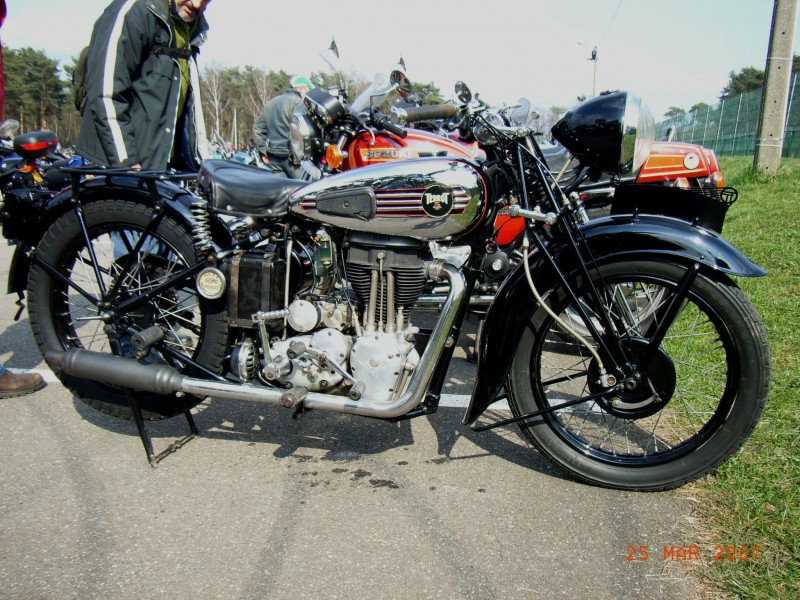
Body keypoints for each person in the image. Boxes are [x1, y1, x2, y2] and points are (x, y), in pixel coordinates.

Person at [76, 0, 212, 171]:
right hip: (119, 168)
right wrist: (127, 162)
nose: (197, 4)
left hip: (160, 167)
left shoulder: (191, 27)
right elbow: (106, 94)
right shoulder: (133, 12)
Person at [252, 76, 314, 179]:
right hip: (294, 161)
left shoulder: (270, 103)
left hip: (274, 159)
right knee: (303, 191)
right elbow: (302, 129)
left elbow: (257, 129)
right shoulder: (299, 103)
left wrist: (263, 151)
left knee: (281, 193)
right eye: (308, 91)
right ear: (302, 89)